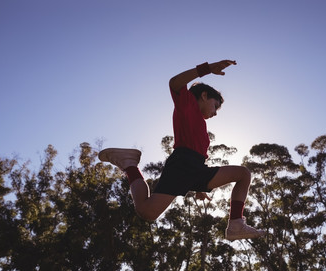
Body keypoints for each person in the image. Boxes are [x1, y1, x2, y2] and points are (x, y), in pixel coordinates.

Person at [98, 60, 265, 240]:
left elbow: (198, 156)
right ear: (203, 96)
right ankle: (129, 164)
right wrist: (207, 69)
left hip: (195, 169)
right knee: (147, 212)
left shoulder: (199, 123)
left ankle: (236, 225)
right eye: (215, 106)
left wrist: (200, 185)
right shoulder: (187, 105)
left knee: (243, 174)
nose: (215, 113)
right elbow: (174, 83)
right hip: (182, 164)